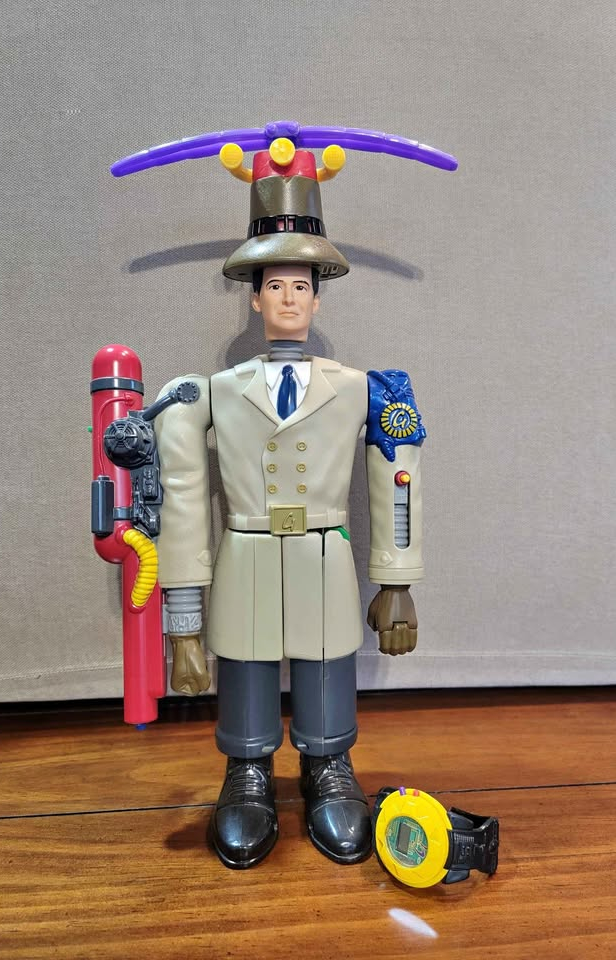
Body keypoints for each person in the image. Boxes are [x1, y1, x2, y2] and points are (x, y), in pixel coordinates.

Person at [152, 144, 424, 870]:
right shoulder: (212, 391)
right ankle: (247, 769)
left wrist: (395, 580)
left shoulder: (364, 388)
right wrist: (183, 618)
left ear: (319, 296)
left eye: (301, 285)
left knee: (328, 659)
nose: (290, 299)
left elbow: (397, 477)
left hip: (325, 549)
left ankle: (328, 763)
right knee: (243, 663)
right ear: (254, 297)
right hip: (245, 547)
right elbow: (183, 495)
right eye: (275, 285)